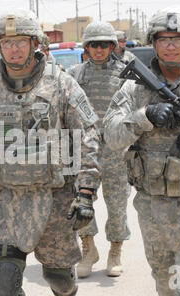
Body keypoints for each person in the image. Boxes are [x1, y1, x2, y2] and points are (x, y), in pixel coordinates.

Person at [0, 9, 101, 296]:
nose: (14, 48)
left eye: (21, 41)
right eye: (7, 42)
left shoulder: (61, 84)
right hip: (7, 197)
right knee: (4, 281)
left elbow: (88, 135)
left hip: (55, 198)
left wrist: (85, 191)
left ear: (34, 43)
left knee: (58, 277)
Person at [103, 7, 180, 296]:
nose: (170, 44)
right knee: (167, 285)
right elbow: (111, 136)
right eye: (163, 38)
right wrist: (145, 116)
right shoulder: (132, 90)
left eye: (178, 38)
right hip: (153, 206)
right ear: (153, 43)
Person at [67, 21, 131, 278]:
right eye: (93, 44)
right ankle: (88, 248)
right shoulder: (75, 73)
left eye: (104, 44)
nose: (98, 49)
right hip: (86, 150)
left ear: (112, 46)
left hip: (116, 149)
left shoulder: (127, 74)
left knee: (116, 205)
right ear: (86, 47)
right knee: (82, 202)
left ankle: (115, 250)